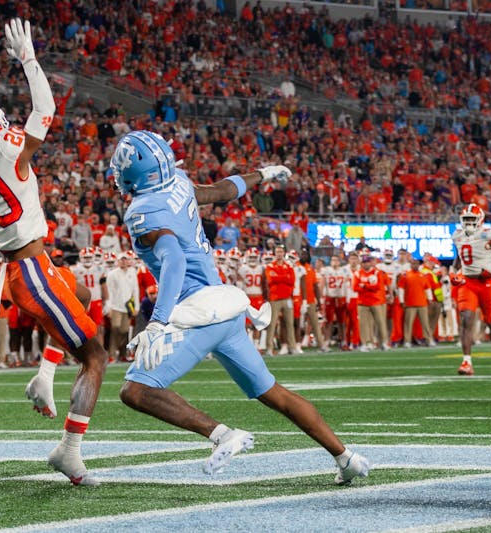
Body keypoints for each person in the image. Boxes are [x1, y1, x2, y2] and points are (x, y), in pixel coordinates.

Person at [110, 129, 369, 484]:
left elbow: (173, 262)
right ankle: (345, 457)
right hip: (227, 307)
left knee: (136, 390)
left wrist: (157, 322)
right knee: (274, 393)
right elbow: (223, 191)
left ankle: (223, 435)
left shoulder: (142, 210)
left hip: (198, 312)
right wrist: (262, 174)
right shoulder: (179, 184)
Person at [0, 19, 108, 486]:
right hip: (30, 268)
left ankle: (44, 378)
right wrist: (28, 59)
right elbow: (45, 109)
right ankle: (70, 451)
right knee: (97, 357)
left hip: (28, 266)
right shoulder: (5, 152)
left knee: (80, 291)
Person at [452, 204, 491, 375]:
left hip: (486, 282)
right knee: (466, 319)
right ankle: (466, 362)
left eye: (472, 219)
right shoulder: (457, 235)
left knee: (490, 320)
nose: (469, 223)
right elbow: (459, 257)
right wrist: (454, 272)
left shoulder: (488, 234)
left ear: (479, 220)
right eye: (467, 219)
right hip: (467, 283)